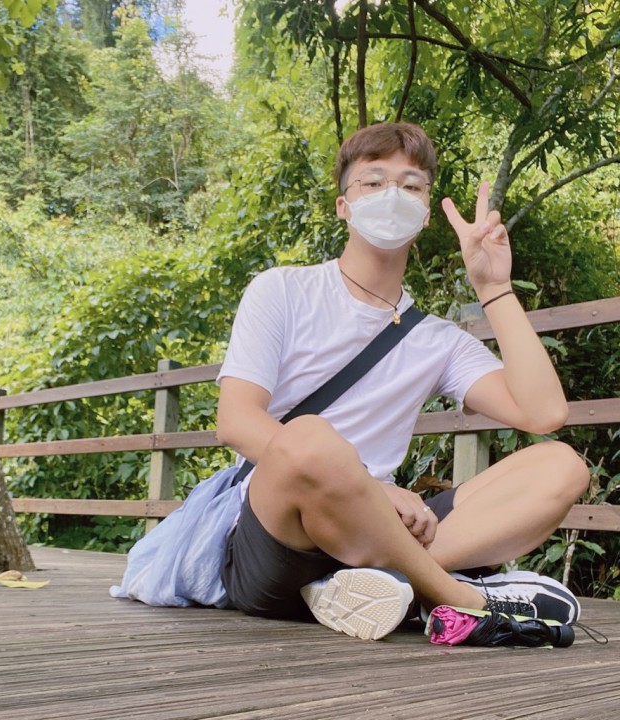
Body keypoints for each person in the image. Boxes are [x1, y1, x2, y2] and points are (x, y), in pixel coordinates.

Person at [215, 121, 590, 641]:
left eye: (411, 186)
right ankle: (461, 598)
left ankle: (376, 586)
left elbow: (544, 412)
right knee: (309, 437)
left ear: (426, 212)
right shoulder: (282, 290)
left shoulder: (438, 340)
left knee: (561, 466)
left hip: (383, 534)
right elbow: (235, 421)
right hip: (281, 534)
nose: (392, 195)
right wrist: (372, 488)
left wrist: (494, 287)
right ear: (344, 205)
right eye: (373, 182)